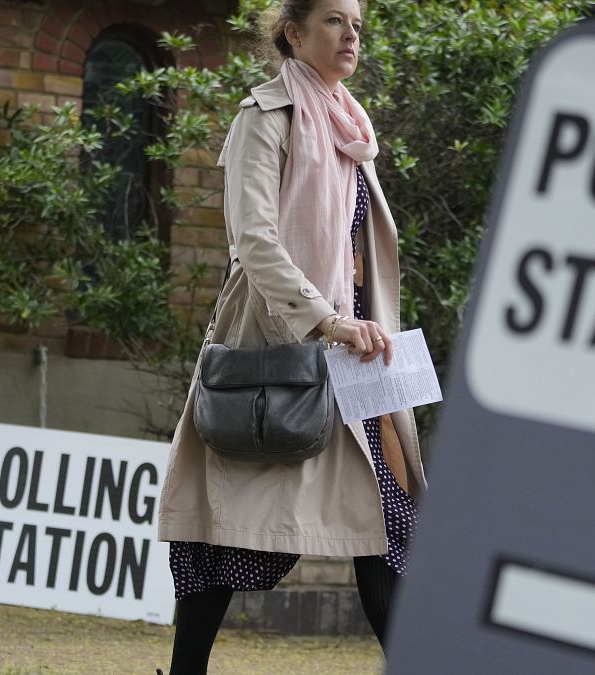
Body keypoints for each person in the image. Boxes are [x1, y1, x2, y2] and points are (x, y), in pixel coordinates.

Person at [156, 0, 427, 672]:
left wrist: (358, 318)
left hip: (359, 353)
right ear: (293, 31)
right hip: (284, 343)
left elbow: (355, 249)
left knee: (391, 525)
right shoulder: (266, 115)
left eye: (358, 24)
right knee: (228, 535)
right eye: (335, 20)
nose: (351, 35)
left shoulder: (349, 123)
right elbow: (253, 239)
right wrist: (324, 316)